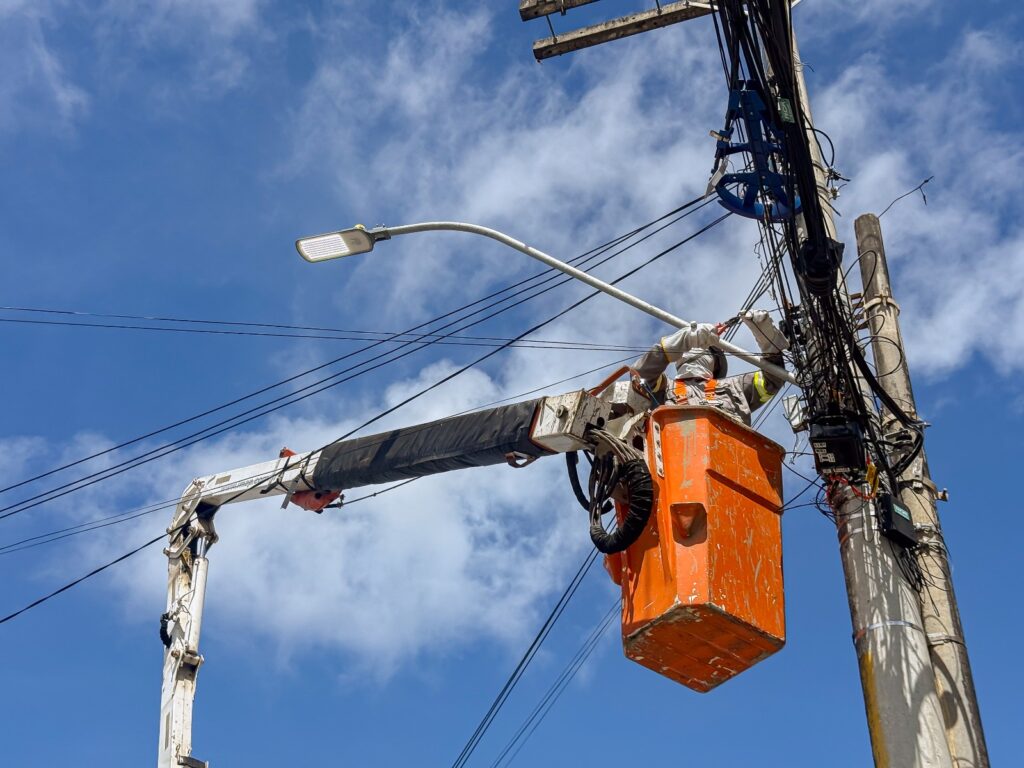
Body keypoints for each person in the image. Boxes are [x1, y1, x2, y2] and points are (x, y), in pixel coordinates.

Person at [630, 310, 789, 427]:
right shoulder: (664, 388)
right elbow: (640, 375)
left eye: (704, 350)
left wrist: (769, 342)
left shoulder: (735, 388)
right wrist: (682, 340)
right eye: (689, 349)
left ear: (716, 363)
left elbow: (772, 380)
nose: (694, 353)